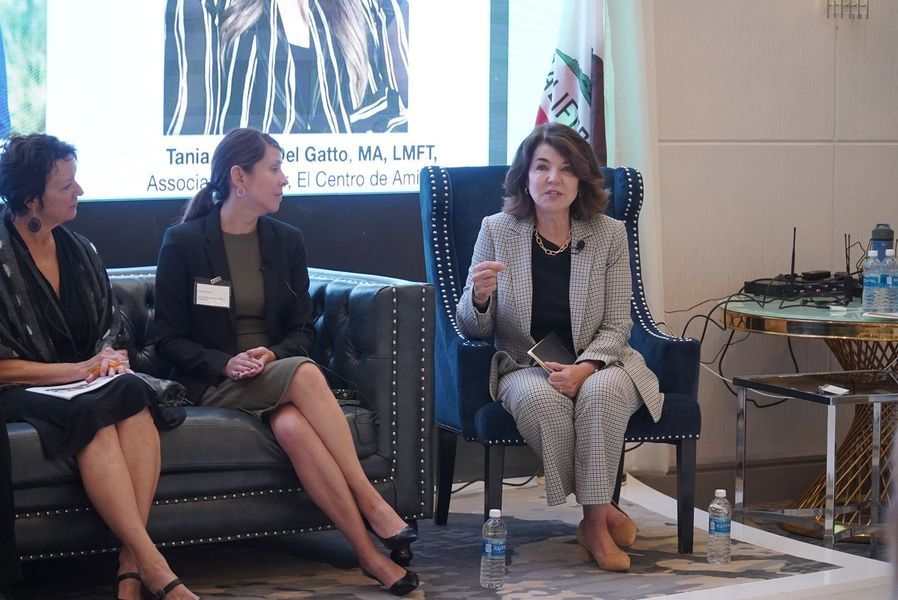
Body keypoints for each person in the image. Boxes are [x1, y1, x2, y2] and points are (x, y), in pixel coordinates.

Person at [154, 127, 419, 596]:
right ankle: (371, 501)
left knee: (295, 425)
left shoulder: (286, 241)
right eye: (274, 169)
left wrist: (272, 353)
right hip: (216, 382)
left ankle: (367, 554)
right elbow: (168, 340)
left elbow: (302, 330)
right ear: (239, 175)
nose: (284, 179)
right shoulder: (185, 242)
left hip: (274, 376)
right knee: (304, 372)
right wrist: (225, 362)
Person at [456, 122, 663, 573]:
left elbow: (616, 325)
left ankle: (591, 523)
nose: (554, 179)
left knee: (600, 394)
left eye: (567, 170)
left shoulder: (608, 234)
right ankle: (603, 512)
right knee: (543, 402)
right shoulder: (497, 229)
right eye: (542, 167)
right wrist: (480, 296)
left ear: (582, 179)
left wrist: (585, 368)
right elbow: (471, 327)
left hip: (604, 360)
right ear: (525, 178)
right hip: (524, 365)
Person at [0, 134, 195, 599]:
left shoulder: (81, 249)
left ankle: (130, 565)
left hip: (82, 383)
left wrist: (105, 361)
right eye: (67, 185)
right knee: (93, 413)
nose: (80, 192)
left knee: (128, 392)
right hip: (21, 387)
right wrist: (77, 370)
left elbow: (110, 327)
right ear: (31, 199)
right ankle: (152, 565)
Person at [163, 0, 409, 135]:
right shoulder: (209, 5)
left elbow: (407, 116)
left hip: (354, 200)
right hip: (248, 208)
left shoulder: (375, 6)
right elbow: (189, 138)